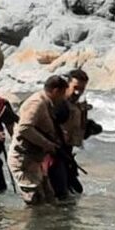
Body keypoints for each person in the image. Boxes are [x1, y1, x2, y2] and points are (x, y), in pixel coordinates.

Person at [8, 75, 69, 206]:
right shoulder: (36, 103)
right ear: (55, 91)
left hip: (35, 160)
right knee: (35, 203)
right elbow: (24, 128)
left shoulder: (46, 103)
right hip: (23, 160)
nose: (64, 98)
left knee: (49, 200)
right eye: (63, 93)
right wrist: (47, 145)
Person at [49, 69, 92, 198]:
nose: (78, 92)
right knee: (62, 194)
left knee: (76, 191)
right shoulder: (56, 104)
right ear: (67, 85)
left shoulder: (77, 106)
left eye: (82, 89)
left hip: (67, 154)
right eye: (75, 87)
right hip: (52, 154)